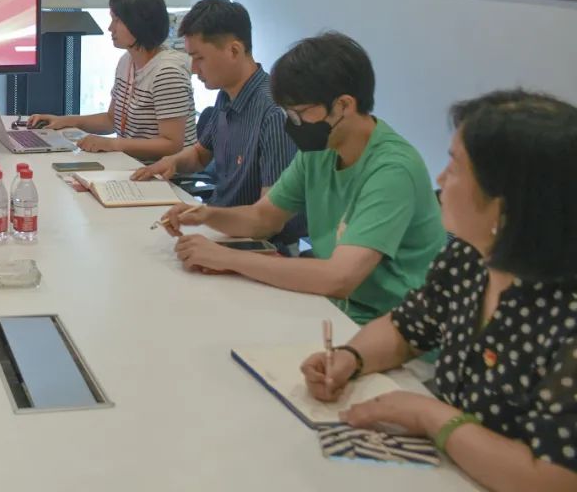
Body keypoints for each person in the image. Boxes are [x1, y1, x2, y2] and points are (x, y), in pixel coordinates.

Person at [300, 90, 577, 492]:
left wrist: (430, 416)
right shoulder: (469, 258)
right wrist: (350, 357)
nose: (441, 179)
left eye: (456, 167)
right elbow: (407, 326)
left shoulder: (565, 314)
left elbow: (554, 478)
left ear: (506, 202)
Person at [163, 32, 445, 324]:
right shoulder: (321, 149)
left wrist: (227, 258)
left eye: (299, 114)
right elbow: (263, 218)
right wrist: (207, 215)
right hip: (334, 307)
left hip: (390, 326)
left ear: (344, 105)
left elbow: (339, 277)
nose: (293, 124)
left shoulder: (392, 170)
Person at [132, 0, 303, 244]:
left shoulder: (273, 114)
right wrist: (172, 162)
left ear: (234, 51)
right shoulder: (226, 93)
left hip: (255, 243)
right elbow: (200, 155)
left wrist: (208, 220)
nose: (193, 68)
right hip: (219, 227)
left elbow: (268, 223)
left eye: (199, 58)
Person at [28, 0, 196, 159]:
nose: (110, 28)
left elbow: (171, 144)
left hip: (164, 171)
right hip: (133, 164)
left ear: (138, 22)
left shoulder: (167, 72)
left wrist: (112, 144)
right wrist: (65, 121)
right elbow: (111, 120)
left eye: (117, 20)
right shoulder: (127, 61)